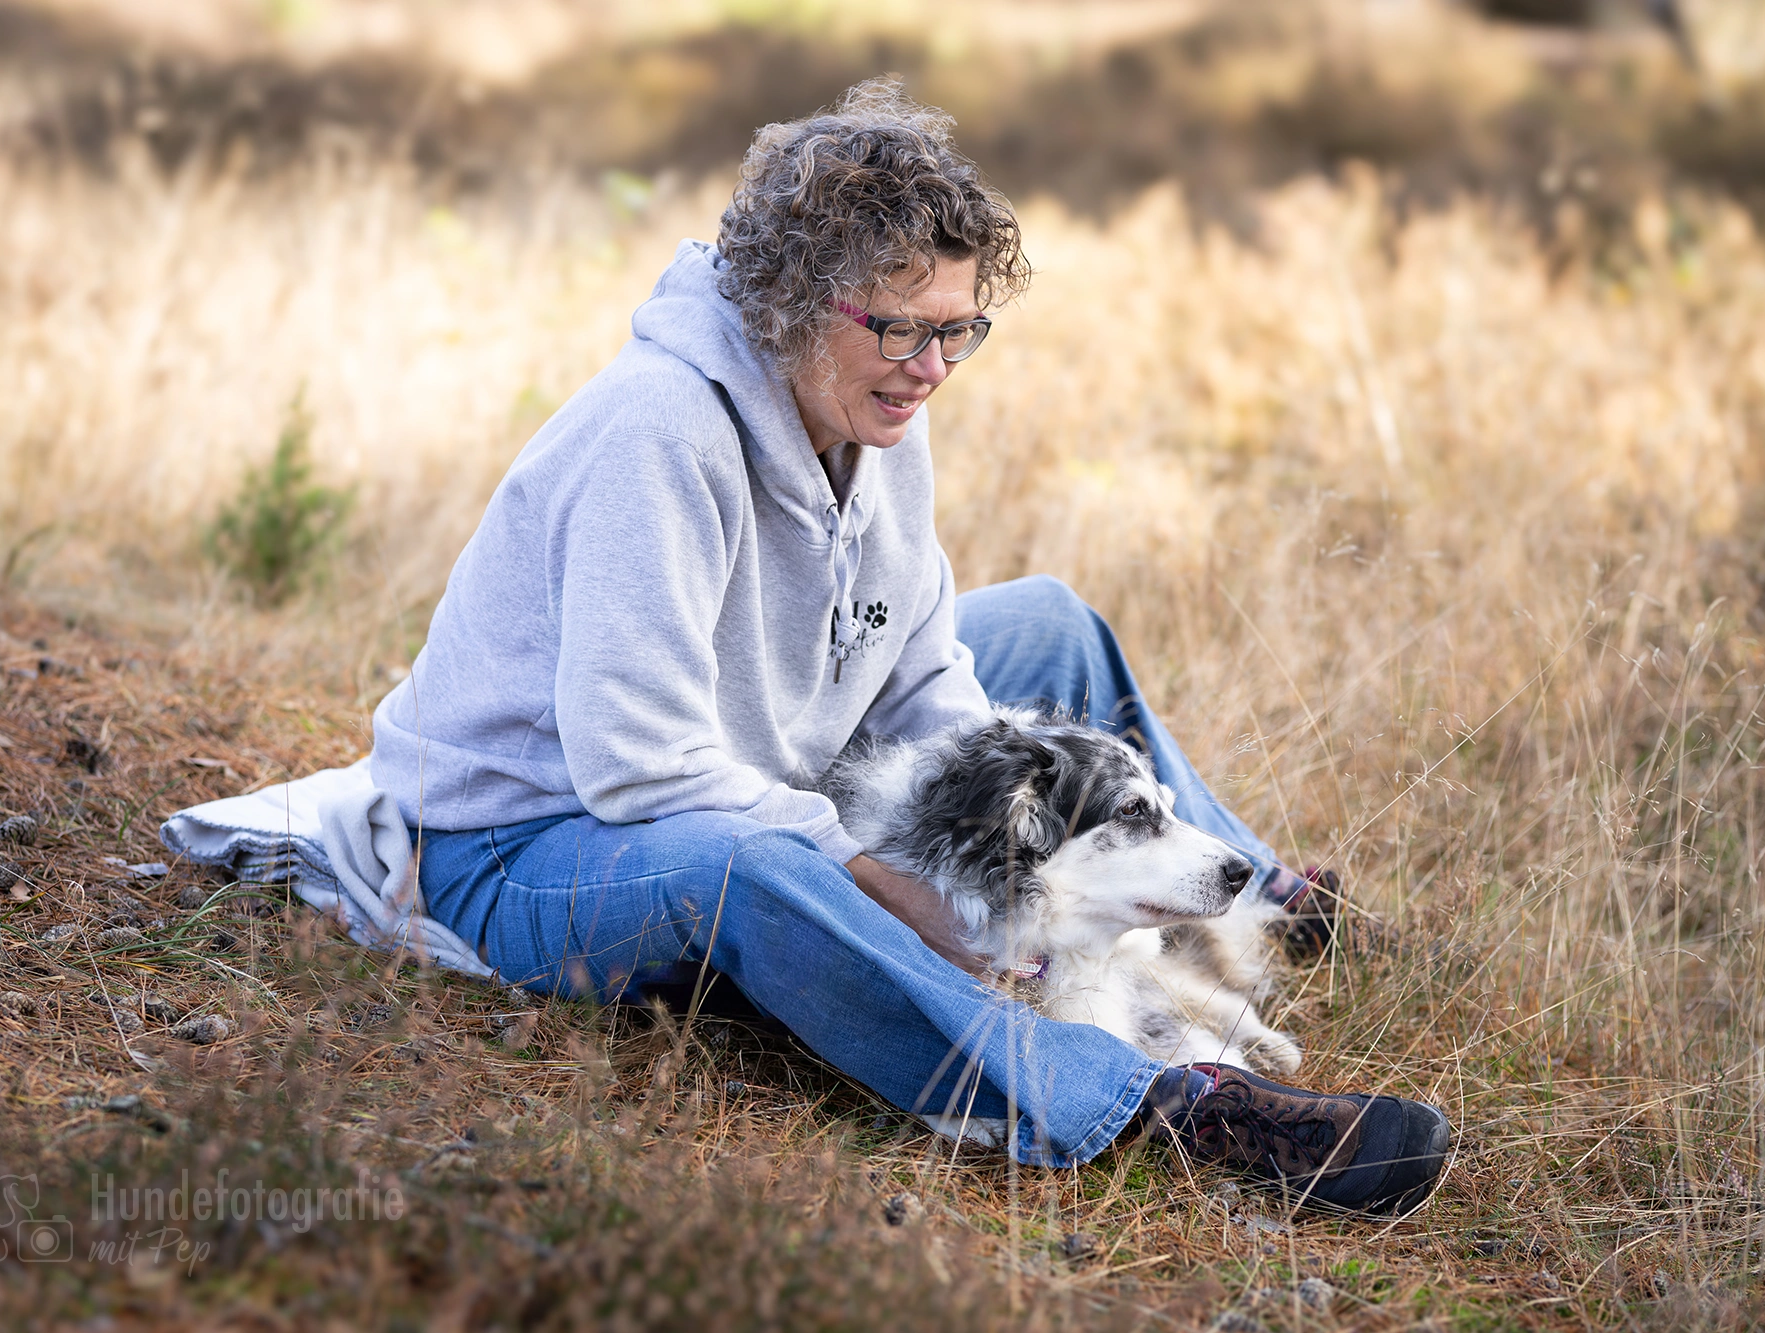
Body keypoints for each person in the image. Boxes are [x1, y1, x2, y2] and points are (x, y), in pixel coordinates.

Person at [369, 81, 1450, 1215]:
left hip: (765, 758)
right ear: (792, 305)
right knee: (758, 865)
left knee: (1050, 626)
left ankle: (1264, 898)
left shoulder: (876, 416)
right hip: (531, 844)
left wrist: (992, 830)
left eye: (956, 331)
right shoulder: (658, 435)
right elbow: (638, 768)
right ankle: (1156, 1101)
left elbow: (924, 677)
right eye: (899, 329)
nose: (930, 368)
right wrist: (879, 879)